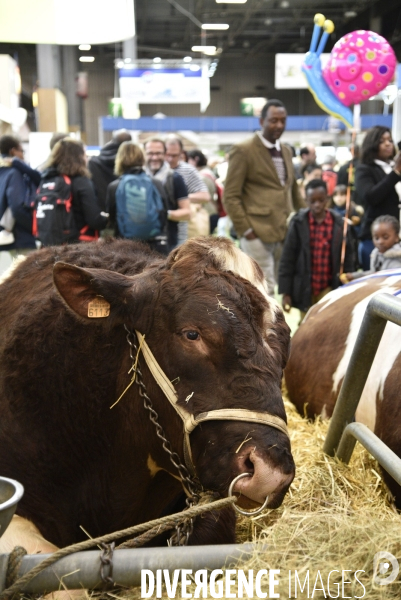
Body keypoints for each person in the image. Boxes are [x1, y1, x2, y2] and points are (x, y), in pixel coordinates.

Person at [223, 99, 305, 295]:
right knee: (262, 288)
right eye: (273, 120)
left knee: (276, 282)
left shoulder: (285, 150)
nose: (279, 125)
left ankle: (271, 324)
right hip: (256, 231)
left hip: (283, 231)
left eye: (283, 121)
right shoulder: (244, 150)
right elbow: (230, 195)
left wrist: (305, 216)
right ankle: (265, 326)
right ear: (261, 121)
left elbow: (290, 188)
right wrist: (246, 230)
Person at [278, 179, 354, 317]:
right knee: (306, 323)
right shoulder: (298, 223)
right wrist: (286, 292)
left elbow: (348, 256)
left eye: (321, 200)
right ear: (306, 200)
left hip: (329, 286)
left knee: (328, 321)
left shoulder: (339, 224)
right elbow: (287, 258)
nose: (317, 204)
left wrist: (348, 284)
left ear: (327, 199)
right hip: (305, 287)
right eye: (312, 201)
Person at [40, 138, 108, 243]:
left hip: (51, 244)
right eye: (85, 155)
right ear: (79, 158)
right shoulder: (81, 182)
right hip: (78, 246)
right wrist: (107, 219)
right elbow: (94, 220)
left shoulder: (47, 180)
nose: (87, 159)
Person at [106, 141, 168, 255]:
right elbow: (164, 213)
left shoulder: (115, 186)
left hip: (125, 246)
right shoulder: (156, 183)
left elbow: (112, 219)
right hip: (154, 245)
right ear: (142, 158)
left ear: (119, 160)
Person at [355, 125, 401, 270]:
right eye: (382, 141)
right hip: (376, 239)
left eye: (390, 140)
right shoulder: (364, 169)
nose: (388, 144)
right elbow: (370, 197)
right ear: (372, 145)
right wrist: (396, 173)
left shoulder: (392, 166)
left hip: (396, 237)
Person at [0, 135, 40, 274]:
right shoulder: (15, 173)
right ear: (13, 151)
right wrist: (33, 227)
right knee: (29, 280)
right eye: (21, 151)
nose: (23, 155)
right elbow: (17, 206)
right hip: (21, 236)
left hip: (7, 235)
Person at [143, 137, 190, 251]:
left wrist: (164, 214)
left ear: (165, 154)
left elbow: (187, 213)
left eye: (158, 153)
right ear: (144, 154)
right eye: (150, 153)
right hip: (140, 242)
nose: (154, 157)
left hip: (167, 242)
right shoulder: (136, 178)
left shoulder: (174, 178)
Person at [164, 136, 210, 244]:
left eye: (174, 155)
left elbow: (205, 196)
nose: (170, 159)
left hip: (180, 231)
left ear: (181, 154)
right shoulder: (156, 169)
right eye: (168, 155)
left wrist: (182, 197)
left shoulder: (188, 170)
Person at [342, 215, 401, 282]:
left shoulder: (397, 261)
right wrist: (354, 276)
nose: (380, 242)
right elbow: (374, 273)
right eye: (376, 238)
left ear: (396, 237)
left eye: (385, 237)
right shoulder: (376, 254)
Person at [88, 129, 132, 211]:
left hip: (100, 212)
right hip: (125, 213)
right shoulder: (131, 164)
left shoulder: (93, 163)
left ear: (111, 141)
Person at [187, 149, 219, 234]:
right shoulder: (207, 173)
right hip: (210, 212)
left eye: (188, 160)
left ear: (196, 159)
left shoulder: (202, 177)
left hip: (206, 214)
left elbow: (201, 200)